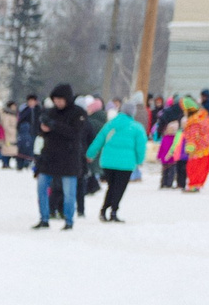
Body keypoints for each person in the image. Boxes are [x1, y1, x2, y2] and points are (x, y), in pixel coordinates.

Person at [32, 83, 89, 229]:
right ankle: (44, 218)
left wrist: (54, 126)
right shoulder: (50, 112)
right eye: (55, 99)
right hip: (49, 156)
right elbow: (41, 131)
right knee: (41, 188)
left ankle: (69, 220)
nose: (57, 102)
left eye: (60, 99)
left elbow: (74, 133)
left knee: (69, 192)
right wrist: (43, 128)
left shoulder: (78, 113)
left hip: (69, 158)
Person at [88, 104, 147, 220]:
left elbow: (99, 140)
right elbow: (141, 146)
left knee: (111, 186)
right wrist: (140, 160)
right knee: (119, 188)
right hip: (126, 163)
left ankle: (104, 210)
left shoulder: (110, 125)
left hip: (108, 162)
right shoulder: (136, 127)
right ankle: (113, 211)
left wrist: (90, 154)